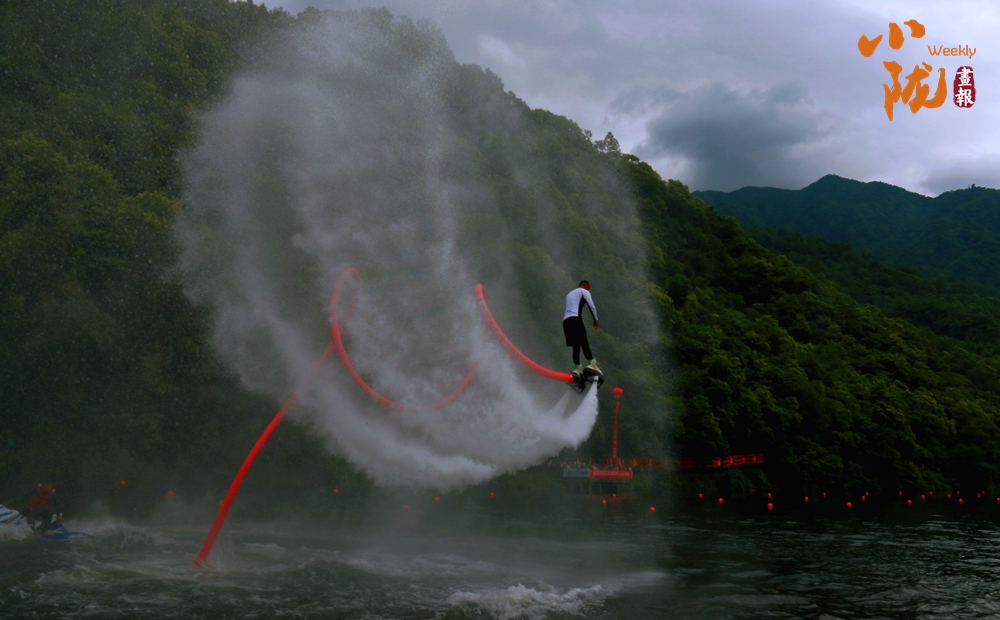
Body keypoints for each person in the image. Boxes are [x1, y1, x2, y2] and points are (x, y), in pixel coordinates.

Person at [563, 280, 599, 375]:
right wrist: (595, 319)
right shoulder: (584, 291)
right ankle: (592, 363)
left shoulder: (569, 294)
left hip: (566, 321)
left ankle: (577, 368)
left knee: (576, 346)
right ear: (586, 287)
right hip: (575, 319)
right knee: (584, 342)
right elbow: (591, 305)